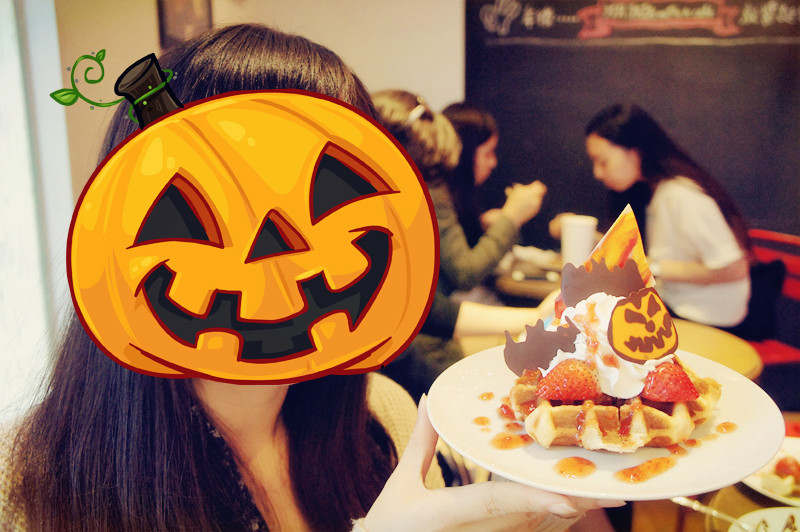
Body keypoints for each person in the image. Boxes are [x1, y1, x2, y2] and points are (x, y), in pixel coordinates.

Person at [1, 24, 621, 531]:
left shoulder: (386, 419)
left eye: (330, 191)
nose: (275, 247)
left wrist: (538, 500)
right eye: (202, 213)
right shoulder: (21, 487)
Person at [372, 91, 558, 398]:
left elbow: (427, 308)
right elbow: (454, 282)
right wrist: (511, 218)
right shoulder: (403, 207)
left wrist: (532, 317)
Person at [555, 103, 751, 329]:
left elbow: (734, 268)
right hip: (674, 306)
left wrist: (653, 268)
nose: (597, 173)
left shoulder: (680, 195)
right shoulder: (652, 191)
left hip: (706, 318)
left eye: (603, 161)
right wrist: (581, 235)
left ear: (635, 150)